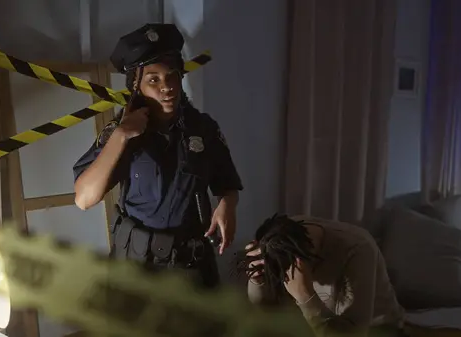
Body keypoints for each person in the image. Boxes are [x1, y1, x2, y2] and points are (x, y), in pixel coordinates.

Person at [72, 23, 242, 289]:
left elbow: (227, 183)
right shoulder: (121, 134)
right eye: (154, 80)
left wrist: (227, 205)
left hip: (190, 268)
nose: (167, 87)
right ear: (136, 85)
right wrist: (121, 136)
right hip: (136, 266)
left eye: (172, 76)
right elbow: (84, 198)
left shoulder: (204, 129)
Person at [238, 214, 406, 336]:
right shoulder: (281, 240)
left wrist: (305, 296)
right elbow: (265, 308)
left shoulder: (358, 249)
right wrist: (257, 280)